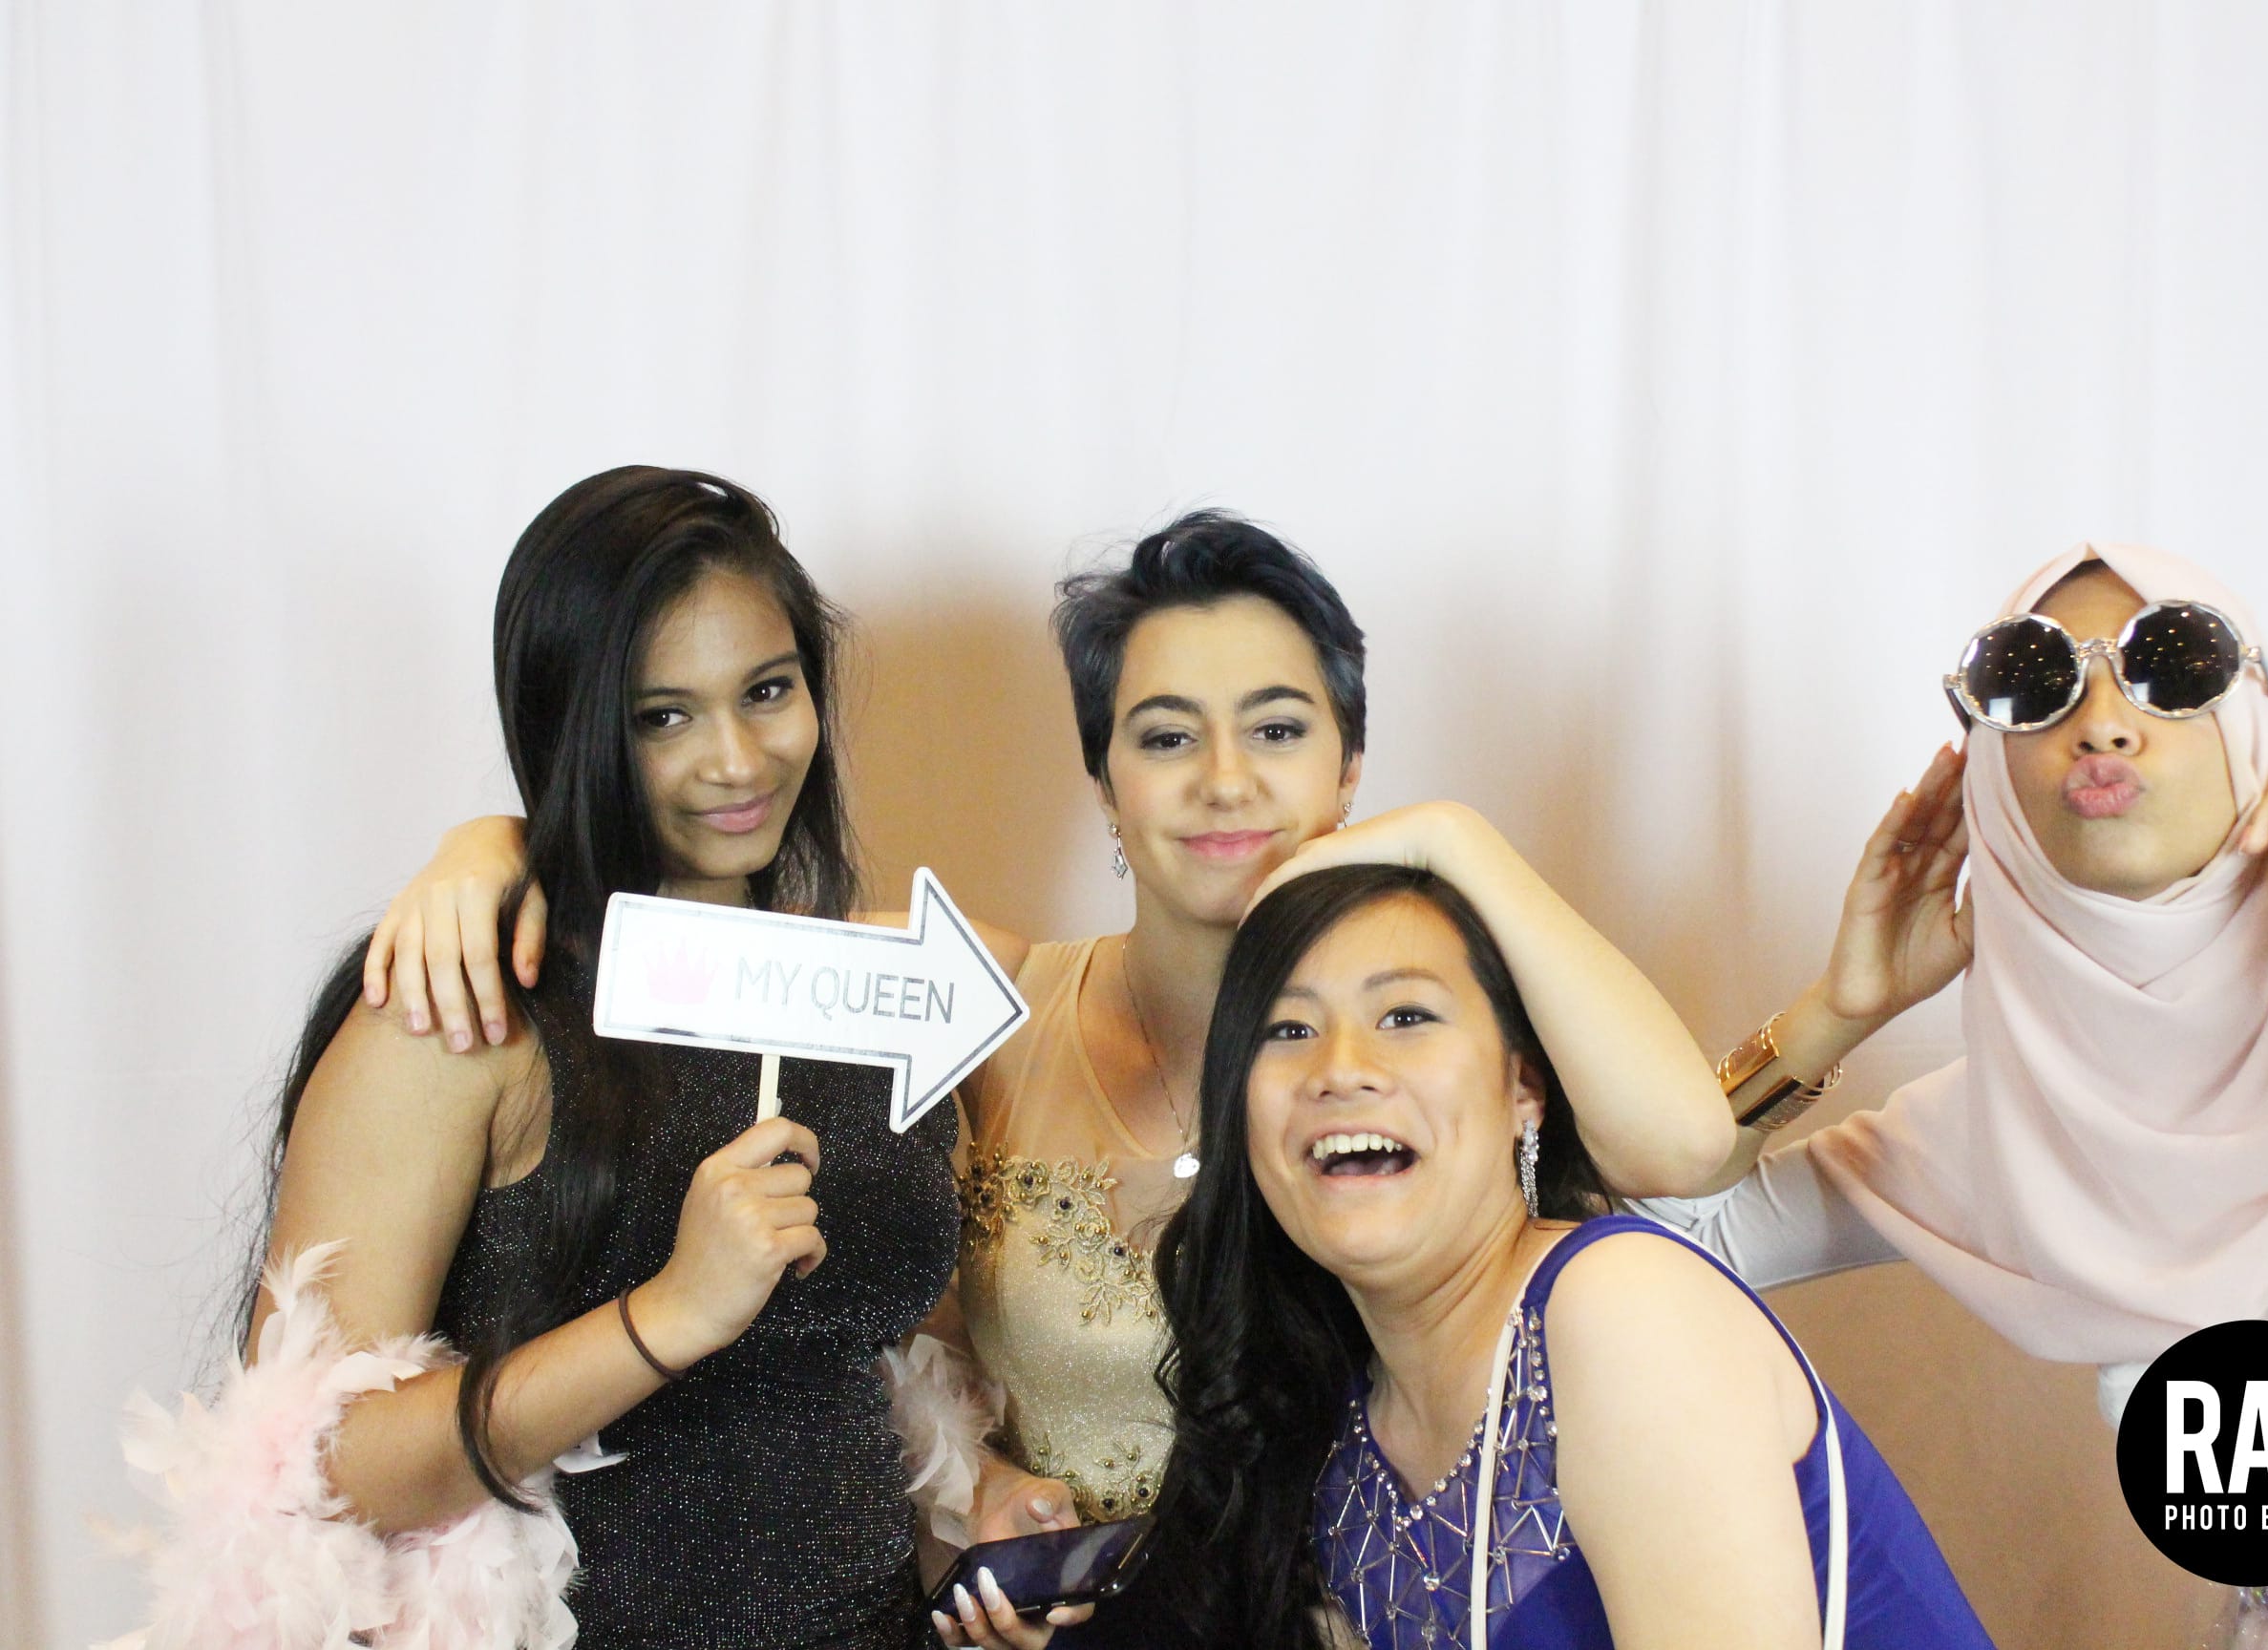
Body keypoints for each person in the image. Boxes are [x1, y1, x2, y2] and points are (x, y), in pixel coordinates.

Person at [357, 513, 1737, 1647]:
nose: (1224, 784)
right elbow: (705, 965)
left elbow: (1680, 1146)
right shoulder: (986, 1005)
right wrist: (500, 849)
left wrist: (1451, 838)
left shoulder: (1420, 1045)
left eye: (1276, 730)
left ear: (1348, 764)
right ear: (1104, 782)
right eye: (1166, 736)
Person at [111, 468, 1033, 1650]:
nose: (738, 760)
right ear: (571, 727)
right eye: (661, 717)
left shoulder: (873, 990)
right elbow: (319, 1465)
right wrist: (667, 1313)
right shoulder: (465, 1007)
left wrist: (980, 1494)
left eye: (767, 691)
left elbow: (854, 1365)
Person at [1647, 543, 2268, 1646]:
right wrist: (1835, 1014)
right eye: (2033, 681)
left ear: (2258, 731)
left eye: (2171, 665)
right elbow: (1649, 1234)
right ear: (1993, 775)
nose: (2102, 724)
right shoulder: (2008, 1132)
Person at [1148, 861, 1995, 1649]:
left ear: (1525, 1087)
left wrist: (1449, 832)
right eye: (1288, 1029)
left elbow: (1688, 1146)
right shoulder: (1334, 1424)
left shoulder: (1621, 1306)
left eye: (1405, 1017)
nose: (1340, 1070)